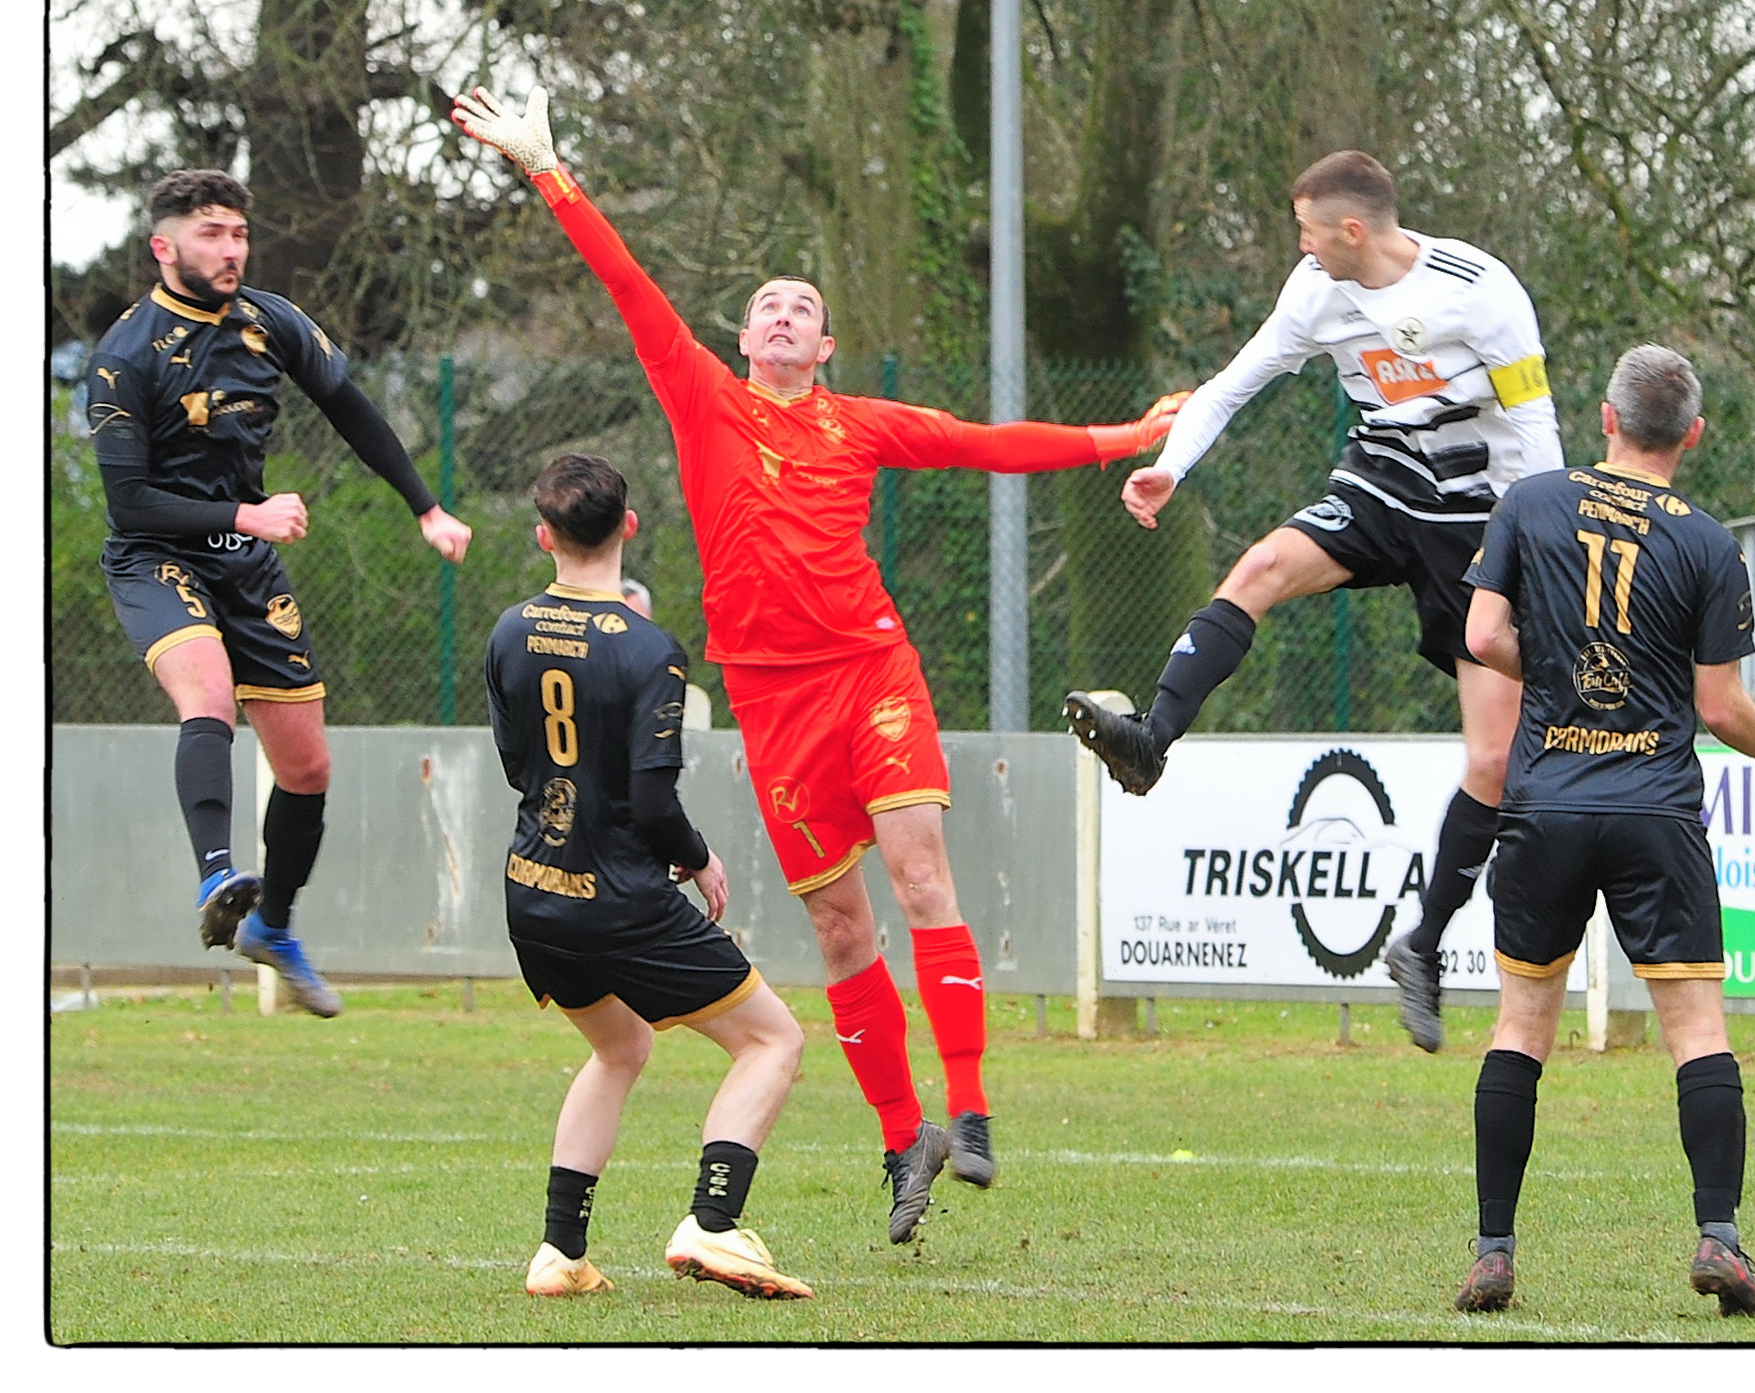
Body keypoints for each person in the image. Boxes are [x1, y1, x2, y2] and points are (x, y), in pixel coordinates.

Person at [451, 83, 1186, 1244]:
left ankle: (976, 1111)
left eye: (804, 307)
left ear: (826, 344)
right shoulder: (702, 400)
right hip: (770, 696)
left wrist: (1123, 437)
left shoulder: (858, 422)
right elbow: (628, 287)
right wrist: (551, 169)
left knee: (921, 875)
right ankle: (905, 1141)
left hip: (868, 670)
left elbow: (986, 444)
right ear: (745, 340)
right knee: (842, 930)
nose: (784, 316)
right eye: (766, 307)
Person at [1061, 150, 1565, 1051]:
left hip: (1477, 525)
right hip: (1377, 489)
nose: (1299, 244)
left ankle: (1423, 944)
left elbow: (1535, 426)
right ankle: (1150, 739)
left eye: (1307, 228)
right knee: (1256, 570)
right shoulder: (1314, 289)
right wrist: (1169, 468)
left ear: (1353, 230)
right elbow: (1235, 382)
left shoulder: (1479, 289)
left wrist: (1544, 543)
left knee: (1493, 758)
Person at [1450, 344, 1755, 1316]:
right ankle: (1721, 1237)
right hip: (1654, 808)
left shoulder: (1530, 502)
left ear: (1605, 419)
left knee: (1522, 1025)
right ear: (1690, 434)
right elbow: (1722, 706)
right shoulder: (1708, 542)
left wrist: (1559, 674)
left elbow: (1482, 639)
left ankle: (1493, 1252)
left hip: (1547, 802)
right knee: (1696, 1027)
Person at [84, 169, 473, 1016]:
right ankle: (216, 878)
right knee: (210, 700)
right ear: (164, 247)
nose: (231, 250)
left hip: (247, 565)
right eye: (210, 235)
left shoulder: (270, 320)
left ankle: (275, 927)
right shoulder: (124, 356)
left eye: (238, 234)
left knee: (307, 765)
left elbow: (348, 405)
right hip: (158, 557)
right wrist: (245, 514)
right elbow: (130, 501)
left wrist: (427, 507)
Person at [487, 453, 811, 1300]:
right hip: (620, 896)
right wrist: (698, 858)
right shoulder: (650, 651)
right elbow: (652, 798)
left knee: (620, 1046)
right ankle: (713, 1226)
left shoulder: (508, 630)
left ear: (543, 536)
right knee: (773, 1040)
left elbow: (518, 761)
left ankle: (560, 1254)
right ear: (629, 526)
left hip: (534, 889)